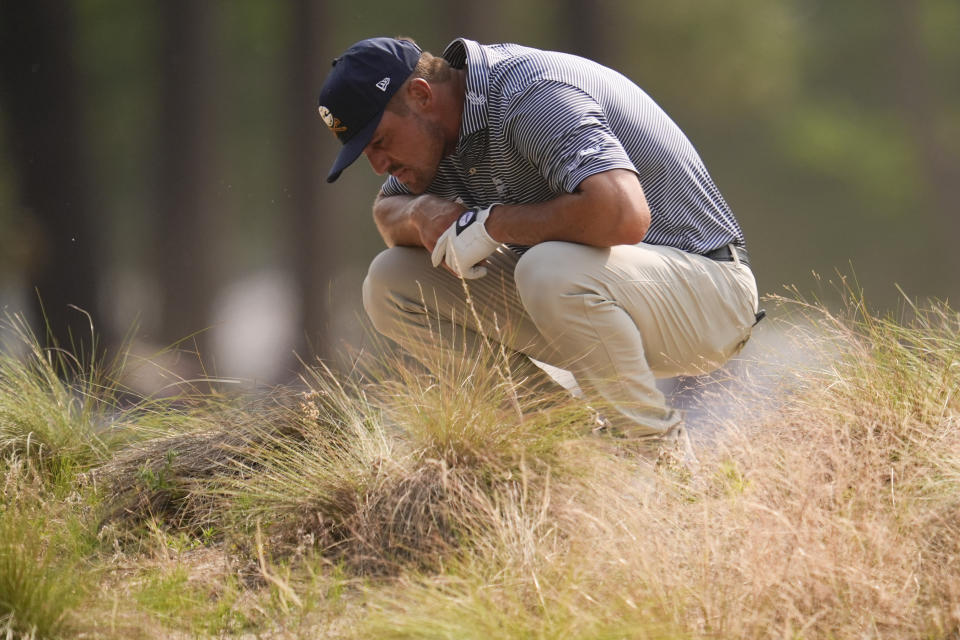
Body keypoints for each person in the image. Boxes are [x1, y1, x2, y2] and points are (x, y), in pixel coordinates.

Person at [317, 36, 762, 464]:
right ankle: (576, 456)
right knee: (390, 282)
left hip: (710, 294)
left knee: (546, 268)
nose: (378, 165)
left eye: (379, 142)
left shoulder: (529, 94)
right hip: (596, 303)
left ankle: (660, 461)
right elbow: (387, 212)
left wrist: (490, 224)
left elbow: (624, 214)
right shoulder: (434, 138)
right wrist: (419, 213)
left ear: (420, 95)